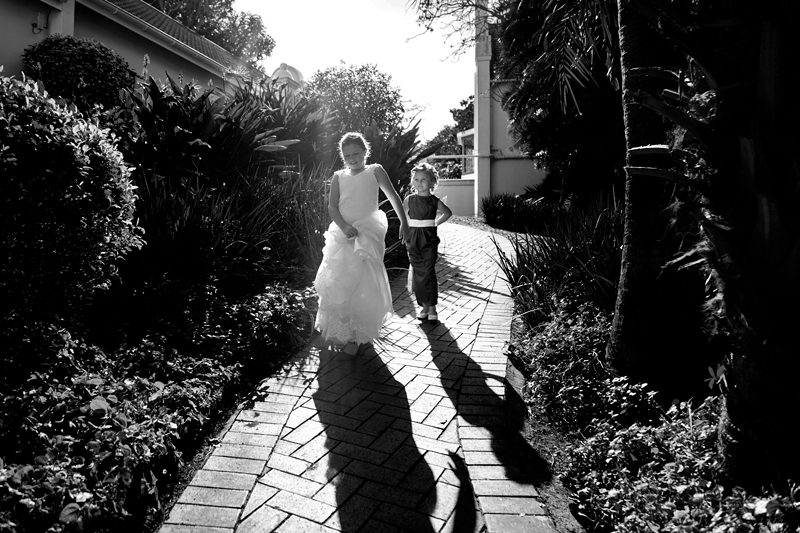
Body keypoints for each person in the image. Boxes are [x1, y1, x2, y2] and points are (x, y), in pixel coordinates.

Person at [314, 132, 410, 355]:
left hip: (366, 232)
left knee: (363, 281)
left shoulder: (374, 170)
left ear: (365, 151)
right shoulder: (338, 176)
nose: (352, 158)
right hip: (343, 233)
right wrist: (344, 227)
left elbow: (394, 196)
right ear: (342, 155)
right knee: (339, 280)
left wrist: (404, 223)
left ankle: (357, 337)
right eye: (347, 155)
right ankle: (343, 331)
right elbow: (332, 207)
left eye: (356, 153)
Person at [403, 162, 452, 322]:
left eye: (423, 179)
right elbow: (404, 219)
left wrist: (435, 223)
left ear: (431, 182)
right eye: (416, 179)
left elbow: (447, 213)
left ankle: (432, 308)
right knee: (418, 272)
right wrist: (404, 232)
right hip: (412, 238)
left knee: (428, 271)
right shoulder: (409, 200)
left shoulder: (434, 201)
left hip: (428, 239)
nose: (419, 182)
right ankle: (423, 306)